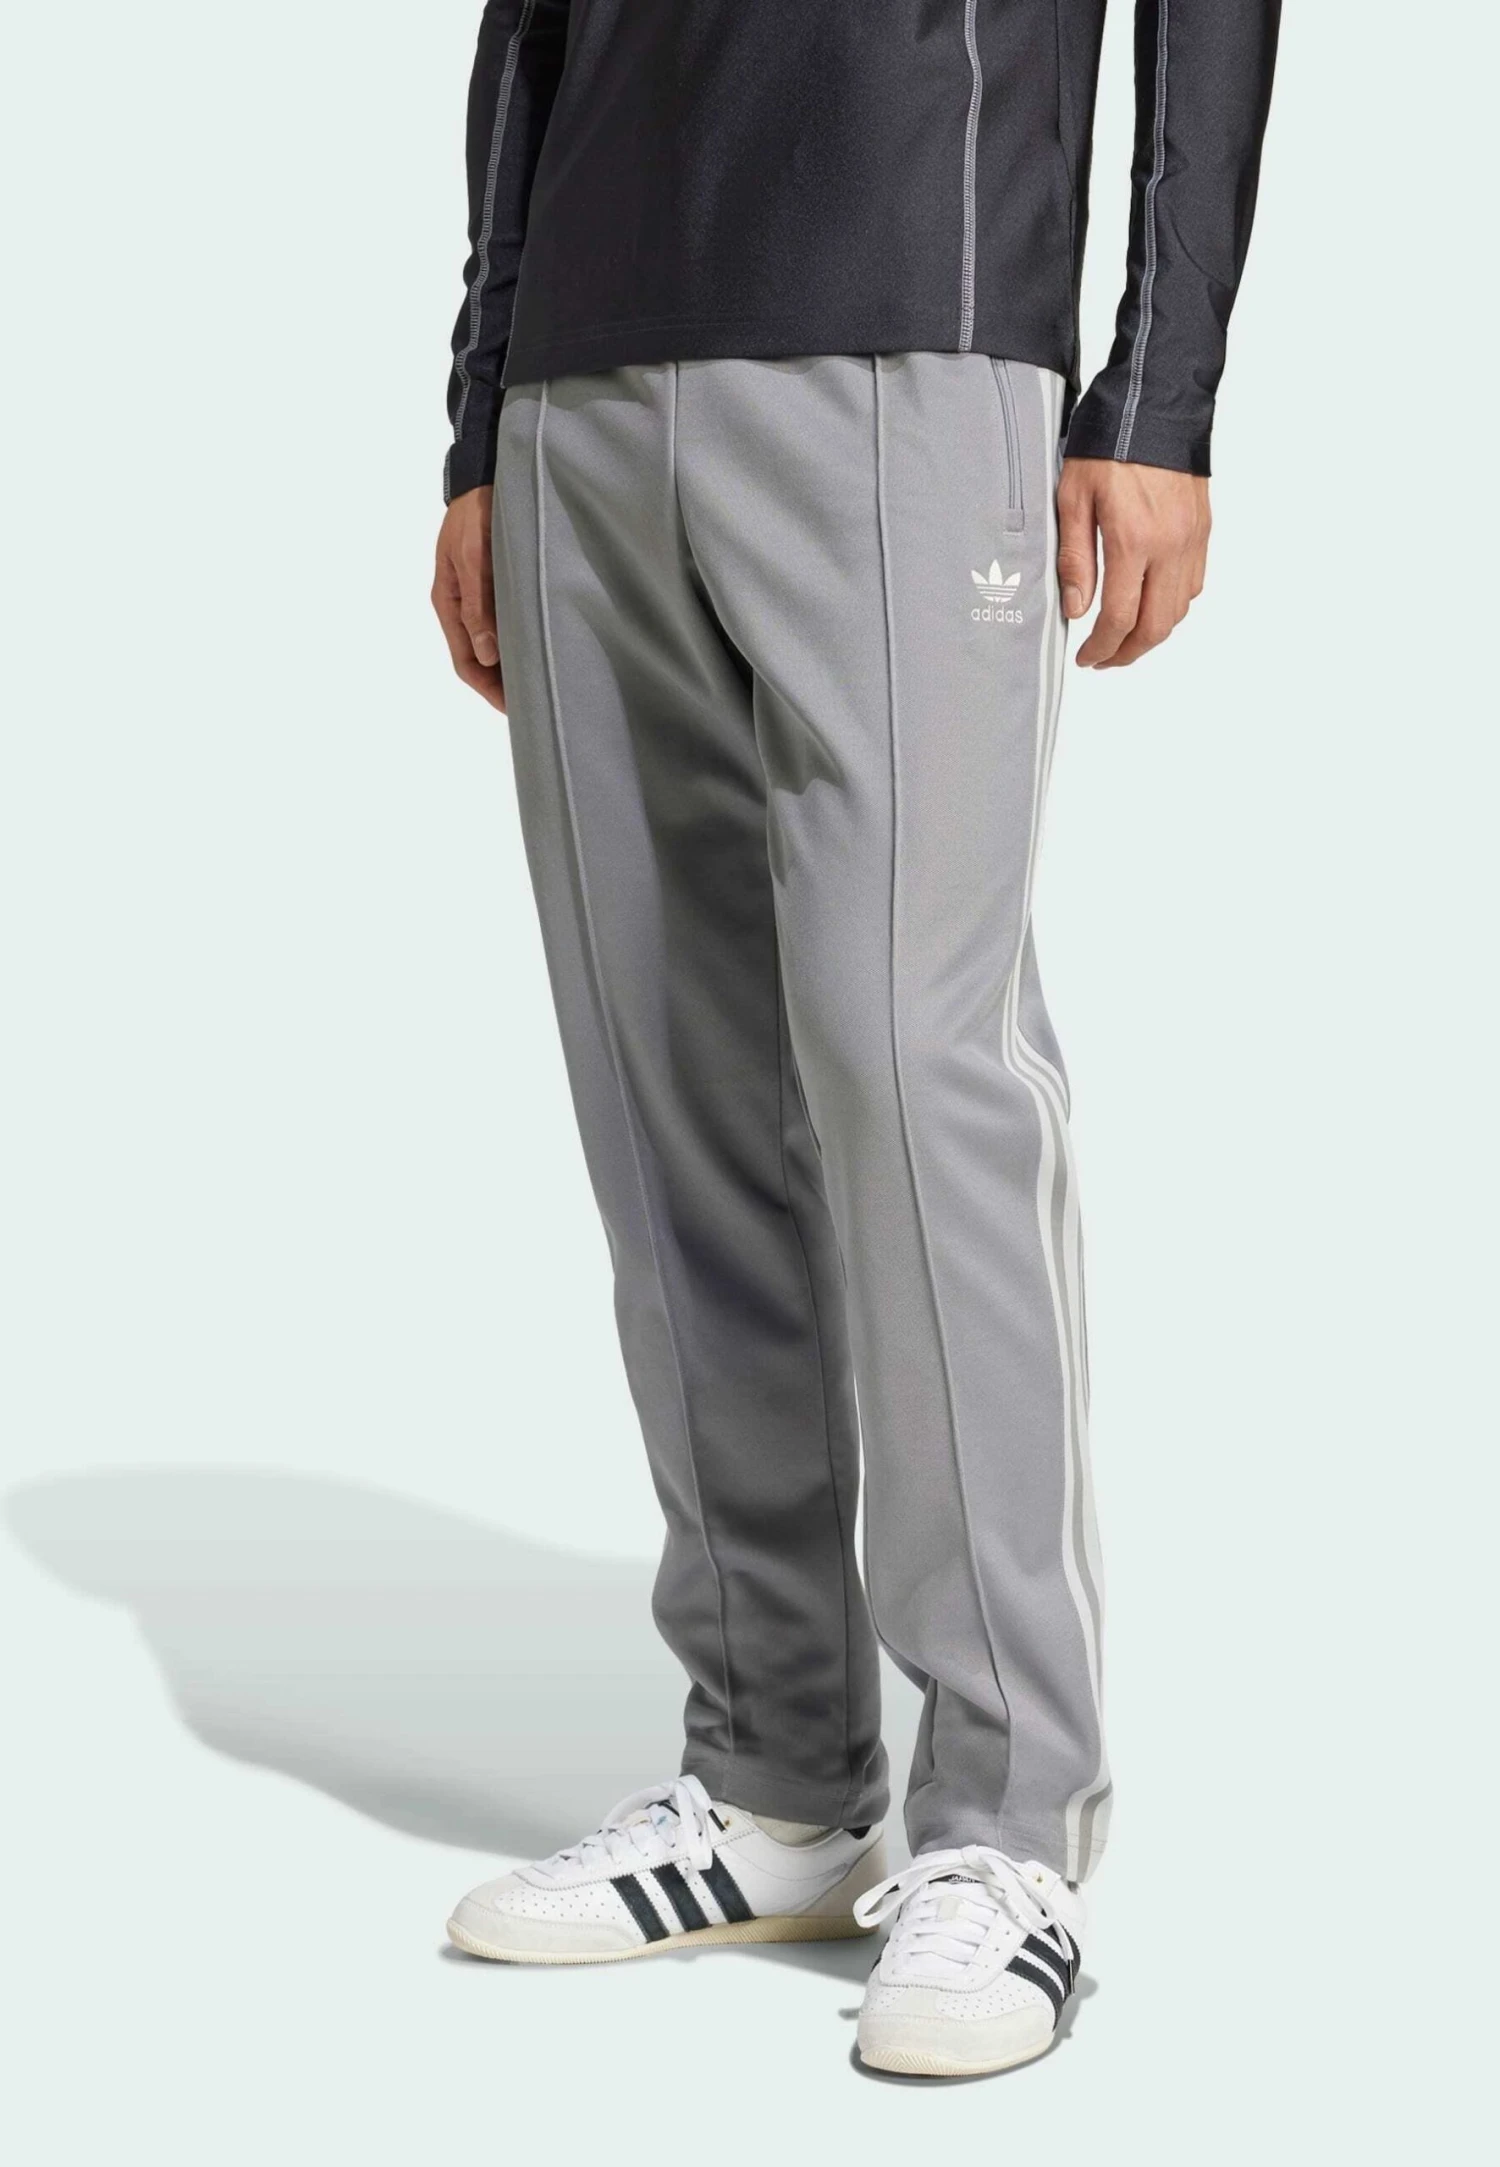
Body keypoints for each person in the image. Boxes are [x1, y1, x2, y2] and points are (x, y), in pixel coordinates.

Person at [431, 0, 1279, 2079]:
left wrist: (1160, 389)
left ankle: (1009, 1825)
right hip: (585, 379)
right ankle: (776, 1775)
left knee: (914, 1069)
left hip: (916, 310)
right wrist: (480, 415)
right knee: (666, 1093)